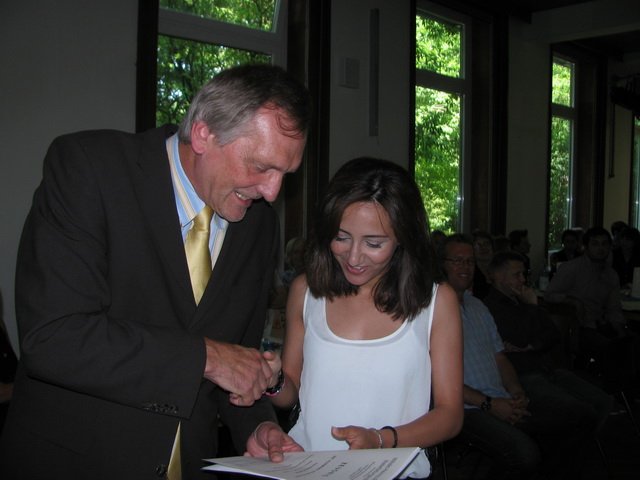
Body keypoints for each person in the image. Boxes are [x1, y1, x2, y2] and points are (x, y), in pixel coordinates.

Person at [0, 64, 312, 480]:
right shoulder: (90, 169)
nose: (272, 192)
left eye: (284, 175)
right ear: (203, 134)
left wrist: (257, 426)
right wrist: (208, 357)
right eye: (260, 166)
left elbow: (238, 357)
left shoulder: (259, 225)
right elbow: (53, 338)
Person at [265, 157, 464, 479]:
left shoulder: (436, 302)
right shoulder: (306, 291)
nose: (354, 257)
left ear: (403, 238)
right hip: (309, 469)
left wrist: (381, 440)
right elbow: (291, 393)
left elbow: (450, 415)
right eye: (341, 237)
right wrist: (271, 380)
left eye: (374, 243)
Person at [440, 234, 595, 479]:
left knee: (576, 420)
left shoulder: (478, 307)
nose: (465, 266)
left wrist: (516, 391)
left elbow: (500, 358)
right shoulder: (429, 310)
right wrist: (490, 404)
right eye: (457, 260)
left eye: (469, 261)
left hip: (500, 396)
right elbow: (437, 381)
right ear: (441, 265)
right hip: (466, 408)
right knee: (524, 454)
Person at [483, 251, 612, 435]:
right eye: (516, 275)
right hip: (522, 376)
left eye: (523, 274)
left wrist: (533, 342)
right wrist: (532, 309)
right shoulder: (489, 308)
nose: (523, 280)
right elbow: (522, 339)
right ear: (498, 277)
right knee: (580, 411)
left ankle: (579, 446)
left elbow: (553, 335)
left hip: (546, 369)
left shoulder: (522, 300)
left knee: (603, 402)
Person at [544, 226, 637, 394]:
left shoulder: (611, 275)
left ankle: (625, 395)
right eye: (595, 244)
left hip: (601, 324)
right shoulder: (572, 268)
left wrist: (620, 330)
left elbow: (614, 308)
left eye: (604, 244)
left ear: (610, 247)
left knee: (631, 345)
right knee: (610, 349)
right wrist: (572, 301)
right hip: (577, 327)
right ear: (585, 247)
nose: (600, 248)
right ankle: (611, 394)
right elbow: (549, 295)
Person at [471, 230, 494, 300]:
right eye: (479, 245)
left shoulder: (500, 269)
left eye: (487, 244)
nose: (483, 247)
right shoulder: (470, 273)